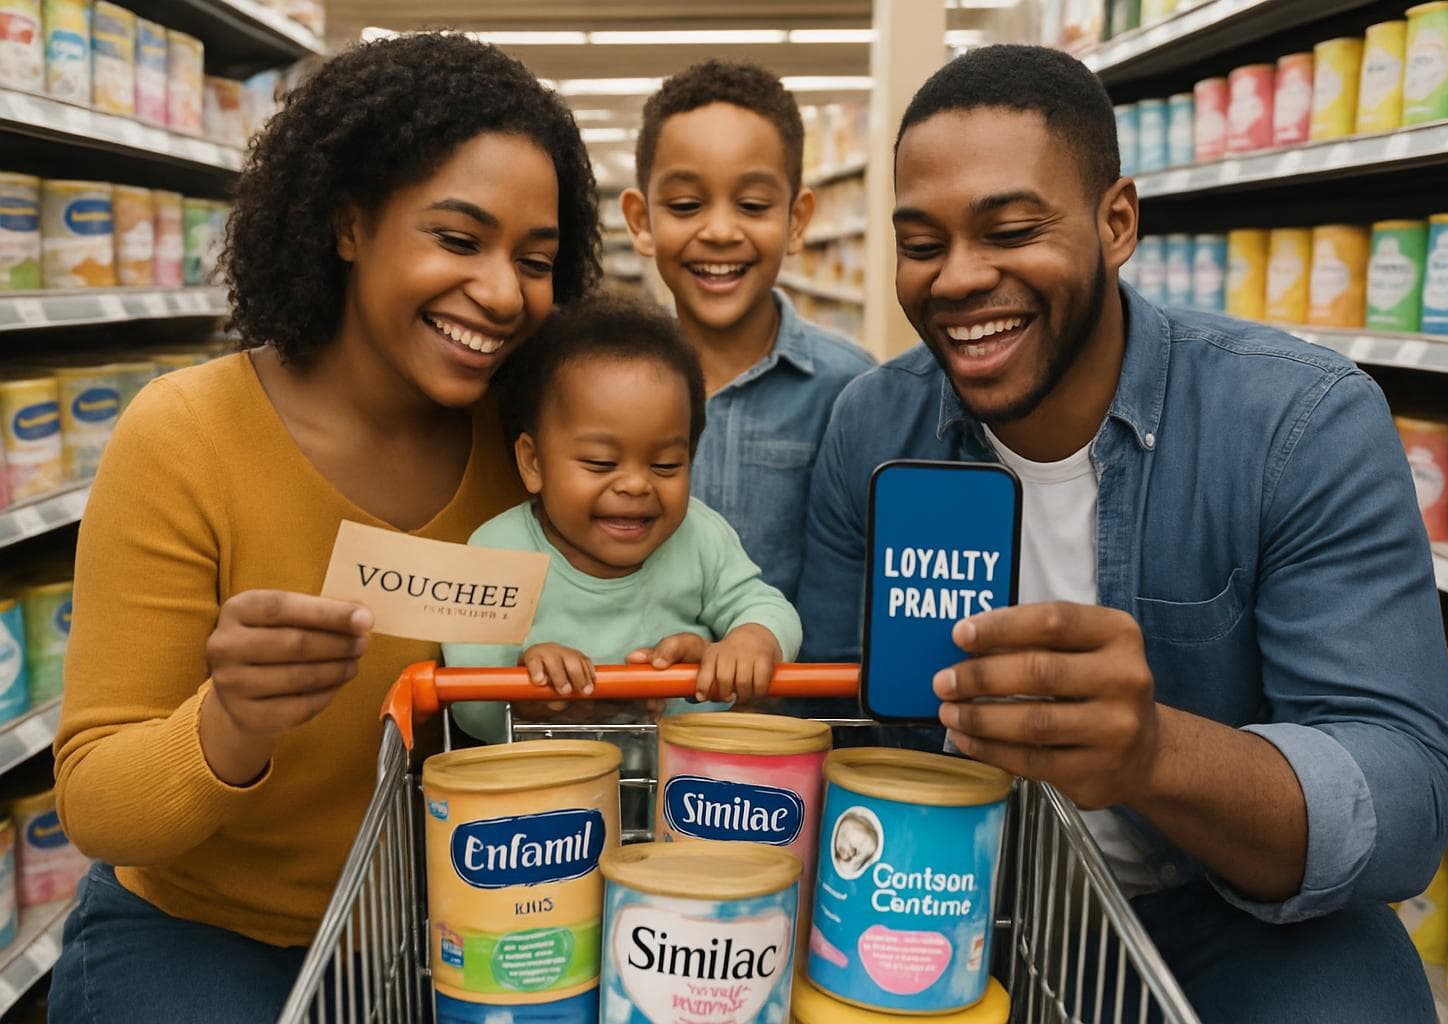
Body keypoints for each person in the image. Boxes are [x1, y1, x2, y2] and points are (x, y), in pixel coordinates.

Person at [798, 45, 1448, 1022]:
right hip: (940, 881)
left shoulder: (1298, 424)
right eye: (921, 241)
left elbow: (1404, 794)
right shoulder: (870, 427)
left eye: (1012, 229)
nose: (958, 278)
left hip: (1224, 911)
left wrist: (1153, 753)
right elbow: (831, 710)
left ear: (1117, 223)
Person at [49, 35, 601, 1022]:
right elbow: (96, 802)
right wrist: (229, 724)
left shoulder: (531, 453)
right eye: (459, 239)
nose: (504, 292)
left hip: (462, 920)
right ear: (348, 224)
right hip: (204, 935)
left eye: (537, 260)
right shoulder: (184, 436)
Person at [444, 294, 802, 742]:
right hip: (549, 797)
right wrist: (523, 688)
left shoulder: (700, 535)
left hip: (680, 796)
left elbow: (768, 605)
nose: (635, 486)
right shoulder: (496, 555)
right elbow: (467, 702)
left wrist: (750, 640)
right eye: (600, 463)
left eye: (666, 465)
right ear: (533, 463)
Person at [620, 60, 873, 605]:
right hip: (635, 685)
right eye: (686, 205)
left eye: (753, 206)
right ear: (641, 222)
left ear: (797, 220)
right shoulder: (603, 386)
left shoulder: (854, 392)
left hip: (799, 687)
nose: (718, 231)